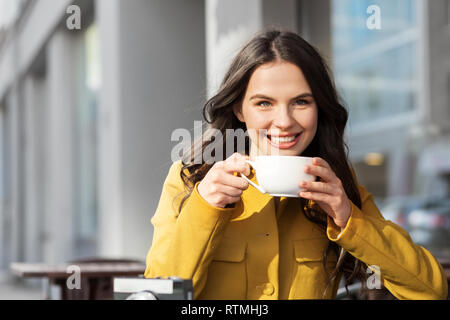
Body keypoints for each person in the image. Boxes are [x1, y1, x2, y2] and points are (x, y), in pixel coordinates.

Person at [144, 29, 448, 300]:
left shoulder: (335, 186)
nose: (285, 122)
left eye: (301, 102)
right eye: (264, 103)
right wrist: (204, 209)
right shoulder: (192, 179)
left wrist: (349, 220)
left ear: (320, 107)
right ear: (239, 108)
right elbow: (157, 294)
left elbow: (430, 291)